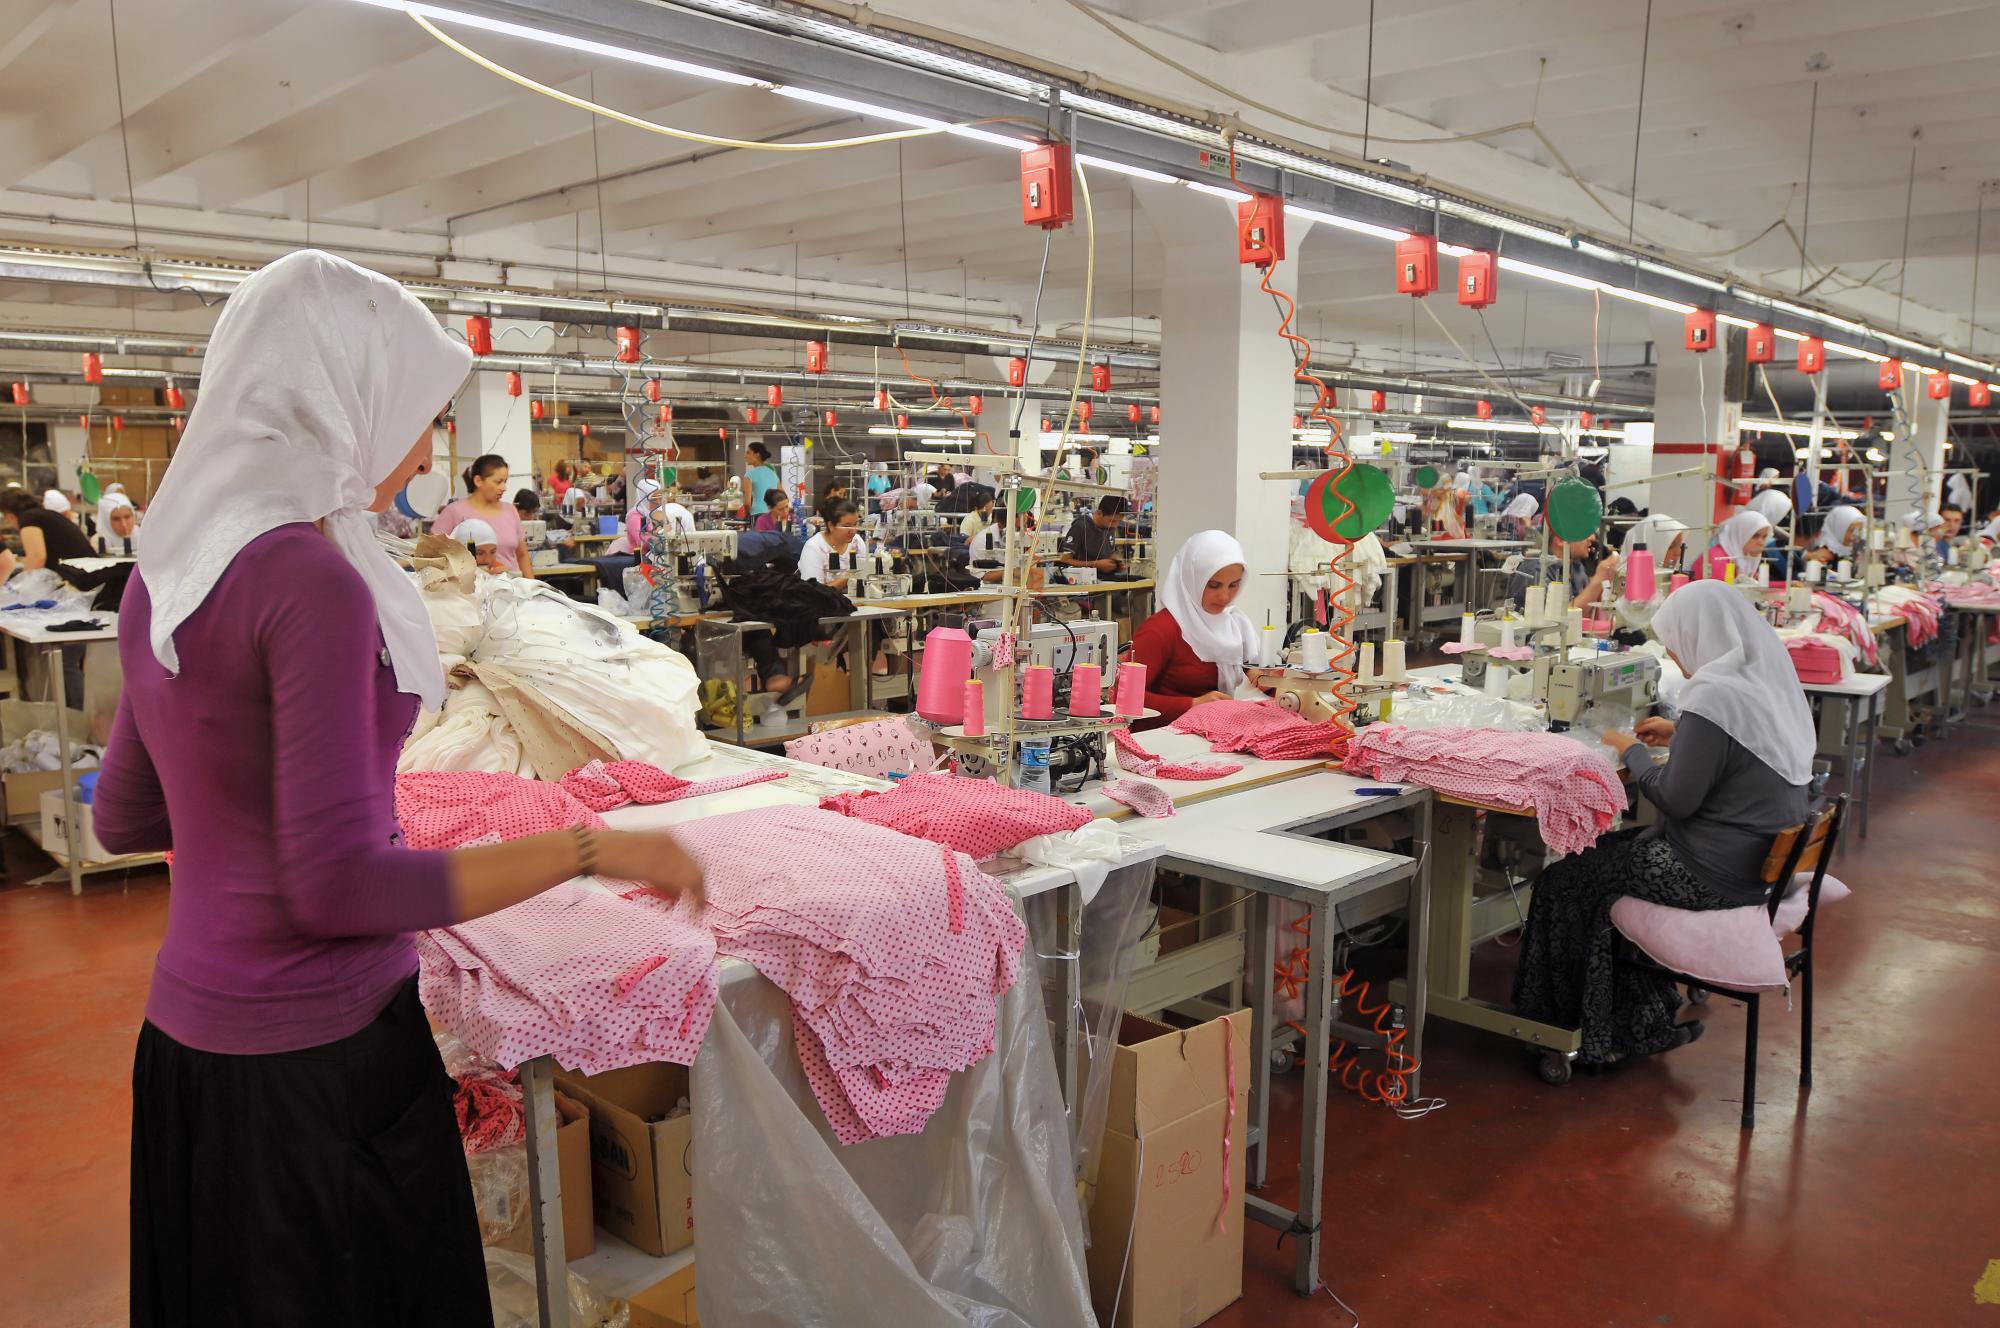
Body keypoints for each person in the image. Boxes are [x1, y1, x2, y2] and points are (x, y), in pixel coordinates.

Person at [88, 251, 703, 1328]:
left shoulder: (167, 568)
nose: (422, 448)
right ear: (339, 399)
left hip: (189, 1053)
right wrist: (594, 847)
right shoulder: (309, 580)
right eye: (417, 414)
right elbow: (335, 889)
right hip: (315, 1074)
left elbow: (124, 816)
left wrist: (250, 804)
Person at [1511, 581, 1812, 1066]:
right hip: (1758, 865)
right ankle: (1636, 1024)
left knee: (1564, 879)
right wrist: (1680, 733)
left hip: (1710, 873)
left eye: (1675, 643)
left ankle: (1555, 1027)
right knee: (1604, 861)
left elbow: (1676, 799)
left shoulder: (1714, 693)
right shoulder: (1764, 681)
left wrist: (1627, 749)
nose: (1675, 653)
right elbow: (1746, 746)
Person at [1129, 530, 1280, 729]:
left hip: (1209, 734)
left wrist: (1266, 681)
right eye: (1214, 585)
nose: (1224, 597)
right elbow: (1125, 698)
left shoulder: (1234, 625)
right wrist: (1193, 704)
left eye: (1234, 585)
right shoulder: (1160, 631)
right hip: (1160, 741)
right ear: (1191, 579)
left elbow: (1248, 668)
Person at [434, 454, 535, 578]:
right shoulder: (454, 512)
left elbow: (522, 555)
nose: (504, 488)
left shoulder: (510, 511)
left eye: (505, 482)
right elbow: (432, 555)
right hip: (472, 591)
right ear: (478, 481)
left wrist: (532, 587)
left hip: (510, 589)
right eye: (498, 482)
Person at [1505, 528, 1618, 610]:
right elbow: (1557, 620)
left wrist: (1604, 581)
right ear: (1560, 540)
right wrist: (1598, 580)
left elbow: (1586, 607)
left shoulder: (1576, 567)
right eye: (1585, 533)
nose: (1592, 538)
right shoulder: (1536, 571)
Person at [799, 500, 865, 589]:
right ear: (831, 525)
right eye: (846, 526)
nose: (853, 530)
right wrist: (849, 577)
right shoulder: (814, 547)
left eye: (855, 524)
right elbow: (814, 592)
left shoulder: (857, 542)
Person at [1061, 495, 1124, 577]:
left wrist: (1116, 564)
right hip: (1081, 580)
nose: (1115, 525)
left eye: (1119, 522)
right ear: (1099, 513)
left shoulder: (1109, 527)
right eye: (1112, 521)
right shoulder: (1081, 526)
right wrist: (1095, 564)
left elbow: (1109, 554)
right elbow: (1065, 560)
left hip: (1103, 579)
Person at [1702, 510, 1771, 582]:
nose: (1761, 542)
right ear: (1739, 534)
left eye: (1764, 537)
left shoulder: (1745, 558)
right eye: (1755, 536)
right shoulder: (1718, 559)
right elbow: (1720, 591)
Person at [1619, 513, 1687, 571]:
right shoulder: (1625, 583)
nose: (1678, 553)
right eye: (1670, 547)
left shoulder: (1675, 580)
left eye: (1680, 546)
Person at [743, 441, 779, 517]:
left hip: (758, 514)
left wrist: (746, 515)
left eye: (748, 453)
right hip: (773, 514)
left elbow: (747, 503)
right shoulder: (772, 473)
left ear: (757, 455)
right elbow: (782, 494)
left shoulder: (749, 475)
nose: (745, 456)